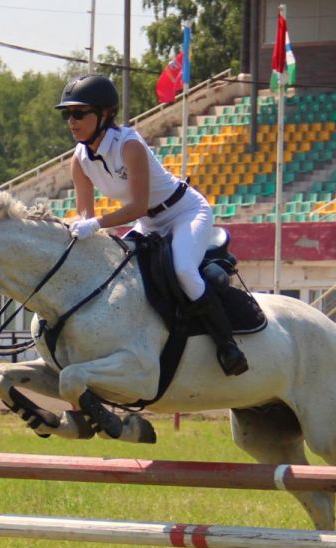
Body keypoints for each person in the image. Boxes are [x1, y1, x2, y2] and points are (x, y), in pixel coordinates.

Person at [57, 74, 248, 376]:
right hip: (149, 223)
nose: (72, 121)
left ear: (105, 114)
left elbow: (136, 206)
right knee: (120, 273)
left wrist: (94, 225)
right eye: (68, 114)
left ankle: (228, 346)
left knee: (183, 269)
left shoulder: (128, 145)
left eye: (79, 113)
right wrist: (79, 229)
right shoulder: (79, 158)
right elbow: (85, 215)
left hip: (185, 212)